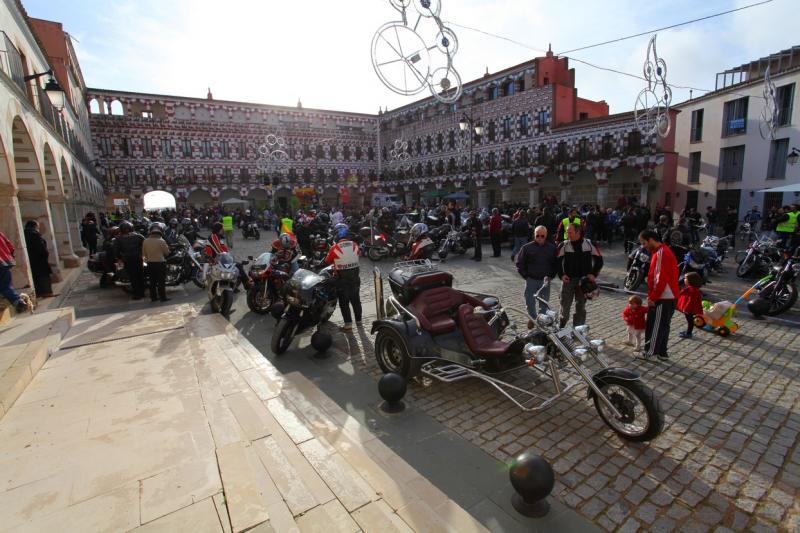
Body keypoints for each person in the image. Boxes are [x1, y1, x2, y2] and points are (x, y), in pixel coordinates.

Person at [639, 229, 679, 360]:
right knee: (663, 325)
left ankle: (650, 352)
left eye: (644, 243)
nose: (643, 246)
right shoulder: (661, 251)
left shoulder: (661, 253)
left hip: (663, 296)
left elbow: (659, 279)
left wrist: (653, 297)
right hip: (669, 295)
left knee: (655, 325)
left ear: (651, 240)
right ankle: (662, 352)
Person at [555, 224, 603, 328]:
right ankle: (561, 328)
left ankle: (578, 331)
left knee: (580, 306)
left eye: (570, 232)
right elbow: (557, 261)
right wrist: (561, 275)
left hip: (584, 282)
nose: (568, 234)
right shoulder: (563, 245)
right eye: (567, 232)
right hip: (568, 280)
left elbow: (599, 260)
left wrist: (593, 274)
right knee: (564, 305)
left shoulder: (589, 244)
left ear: (578, 232)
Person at [324, 224, 362, 332]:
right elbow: (358, 254)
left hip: (341, 279)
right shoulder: (355, 244)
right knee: (356, 300)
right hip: (355, 277)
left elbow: (327, 261)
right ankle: (359, 321)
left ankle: (348, 325)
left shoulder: (334, 248)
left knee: (344, 302)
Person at [516, 226, 556, 328]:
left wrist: (551, 276)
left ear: (546, 236)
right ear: (534, 235)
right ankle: (533, 319)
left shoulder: (551, 248)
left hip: (545, 281)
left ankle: (541, 321)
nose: (540, 238)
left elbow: (555, 264)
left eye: (542, 236)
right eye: (537, 235)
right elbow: (520, 263)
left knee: (544, 304)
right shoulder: (526, 248)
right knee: (530, 302)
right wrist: (526, 276)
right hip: (531, 280)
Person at [114, 221, 145, 300]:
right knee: (140, 275)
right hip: (138, 258)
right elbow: (145, 245)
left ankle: (137, 294)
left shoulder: (118, 239)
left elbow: (116, 251)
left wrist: (120, 258)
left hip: (128, 259)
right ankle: (142, 292)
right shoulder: (139, 236)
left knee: (133, 277)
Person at [0, 230, 30, 313]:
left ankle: (18, 302)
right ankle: (18, 301)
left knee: (4, 285)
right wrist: (10, 257)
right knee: (6, 285)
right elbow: (10, 246)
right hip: (6, 261)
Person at [23, 220, 54, 298]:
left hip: (31, 260)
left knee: (36, 276)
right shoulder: (34, 234)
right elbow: (41, 248)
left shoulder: (24, 234)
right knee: (43, 276)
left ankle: (39, 292)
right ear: (35, 226)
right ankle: (46, 293)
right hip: (39, 260)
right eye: (38, 227)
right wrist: (45, 254)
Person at [142, 223, 171, 302]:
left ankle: (153, 297)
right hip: (160, 263)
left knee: (152, 282)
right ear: (160, 233)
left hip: (150, 263)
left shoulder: (145, 241)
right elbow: (167, 253)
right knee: (161, 282)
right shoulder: (161, 241)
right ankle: (163, 297)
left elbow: (144, 254)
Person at [677, 271, 703, 339]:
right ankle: (688, 332)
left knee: (690, 321)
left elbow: (691, 301)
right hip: (688, 308)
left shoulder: (693, 290)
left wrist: (686, 308)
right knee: (690, 320)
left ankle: (689, 333)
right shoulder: (690, 288)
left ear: (690, 280)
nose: (684, 279)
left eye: (685, 278)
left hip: (689, 309)